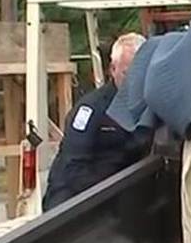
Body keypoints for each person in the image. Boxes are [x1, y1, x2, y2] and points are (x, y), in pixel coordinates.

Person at [42, 33, 149, 210]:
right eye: (127, 74)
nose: (135, 82)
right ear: (113, 69)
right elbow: (72, 170)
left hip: (125, 196)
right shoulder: (91, 110)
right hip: (79, 200)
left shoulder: (153, 105)